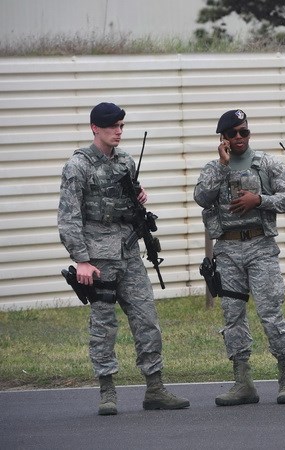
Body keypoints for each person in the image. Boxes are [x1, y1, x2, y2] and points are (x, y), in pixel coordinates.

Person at [57, 102, 190, 415]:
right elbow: (68, 217)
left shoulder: (126, 162)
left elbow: (130, 202)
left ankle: (155, 389)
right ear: (95, 128)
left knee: (147, 319)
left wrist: (139, 198)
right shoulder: (78, 166)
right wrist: (82, 260)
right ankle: (107, 392)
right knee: (103, 326)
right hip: (99, 261)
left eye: (121, 126)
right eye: (112, 126)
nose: (118, 131)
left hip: (129, 254)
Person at [194, 109, 285, 406]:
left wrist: (260, 200)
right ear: (223, 138)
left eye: (244, 132)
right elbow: (202, 197)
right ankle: (243, 383)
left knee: (270, 313)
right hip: (227, 252)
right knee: (233, 316)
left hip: (260, 248)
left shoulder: (267, 163)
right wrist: (222, 167)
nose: (239, 138)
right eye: (233, 134)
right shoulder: (213, 168)